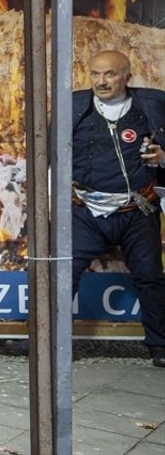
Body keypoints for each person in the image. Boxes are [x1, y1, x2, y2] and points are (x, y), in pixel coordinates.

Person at [71, 50, 165, 368]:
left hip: (137, 209)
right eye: (95, 74)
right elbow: (50, 153)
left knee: (150, 277)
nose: (101, 81)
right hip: (86, 210)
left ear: (127, 76)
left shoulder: (152, 106)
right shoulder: (73, 107)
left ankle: (160, 346)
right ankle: (44, 340)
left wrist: (162, 158)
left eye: (109, 74)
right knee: (61, 274)